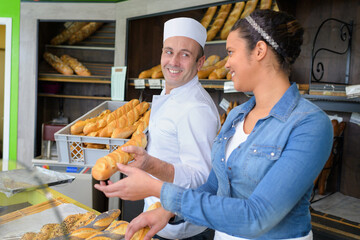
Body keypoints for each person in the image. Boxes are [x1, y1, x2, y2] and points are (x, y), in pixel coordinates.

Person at [95, 9, 334, 240]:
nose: (226, 64)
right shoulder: (238, 115)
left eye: (230, 52)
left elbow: (257, 217)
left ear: (259, 50)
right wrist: (167, 211)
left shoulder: (309, 125)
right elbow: (212, 185)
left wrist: (159, 191)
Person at [95, 17, 220, 239]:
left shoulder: (196, 108)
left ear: (199, 63)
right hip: (155, 219)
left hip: (181, 229)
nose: (174, 61)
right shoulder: (169, 92)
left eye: (185, 54)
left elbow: (202, 178)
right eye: (169, 52)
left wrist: (150, 164)